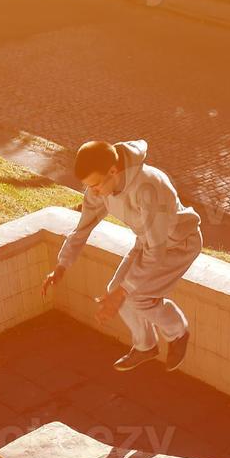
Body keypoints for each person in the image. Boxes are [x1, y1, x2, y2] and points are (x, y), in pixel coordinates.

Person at [41, 140, 201, 371]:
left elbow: (157, 250)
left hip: (178, 245)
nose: (93, 192)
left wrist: (122, 293)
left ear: (113, 171)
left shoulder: (149, 187)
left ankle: (178, 332)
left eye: (95, 185)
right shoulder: (101, 187)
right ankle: (146, 345)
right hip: (146, 241)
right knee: (115, 289)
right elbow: (83, 227)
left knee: (135, 296)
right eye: (89, 186)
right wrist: (61, 265)